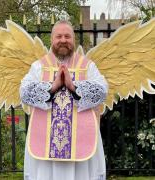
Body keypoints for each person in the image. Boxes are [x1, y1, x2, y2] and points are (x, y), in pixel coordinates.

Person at [20, 20, 108, 180]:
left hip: (81, 140)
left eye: (67, 36)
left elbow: (102, 91)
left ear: (73, 40)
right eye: (58, 36)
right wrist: (53, 87)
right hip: (44, 141)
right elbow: (24, 92)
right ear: (52, 40)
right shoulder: (39, 67)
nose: (63, 40)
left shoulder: (87, 66)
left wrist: (73, 86)